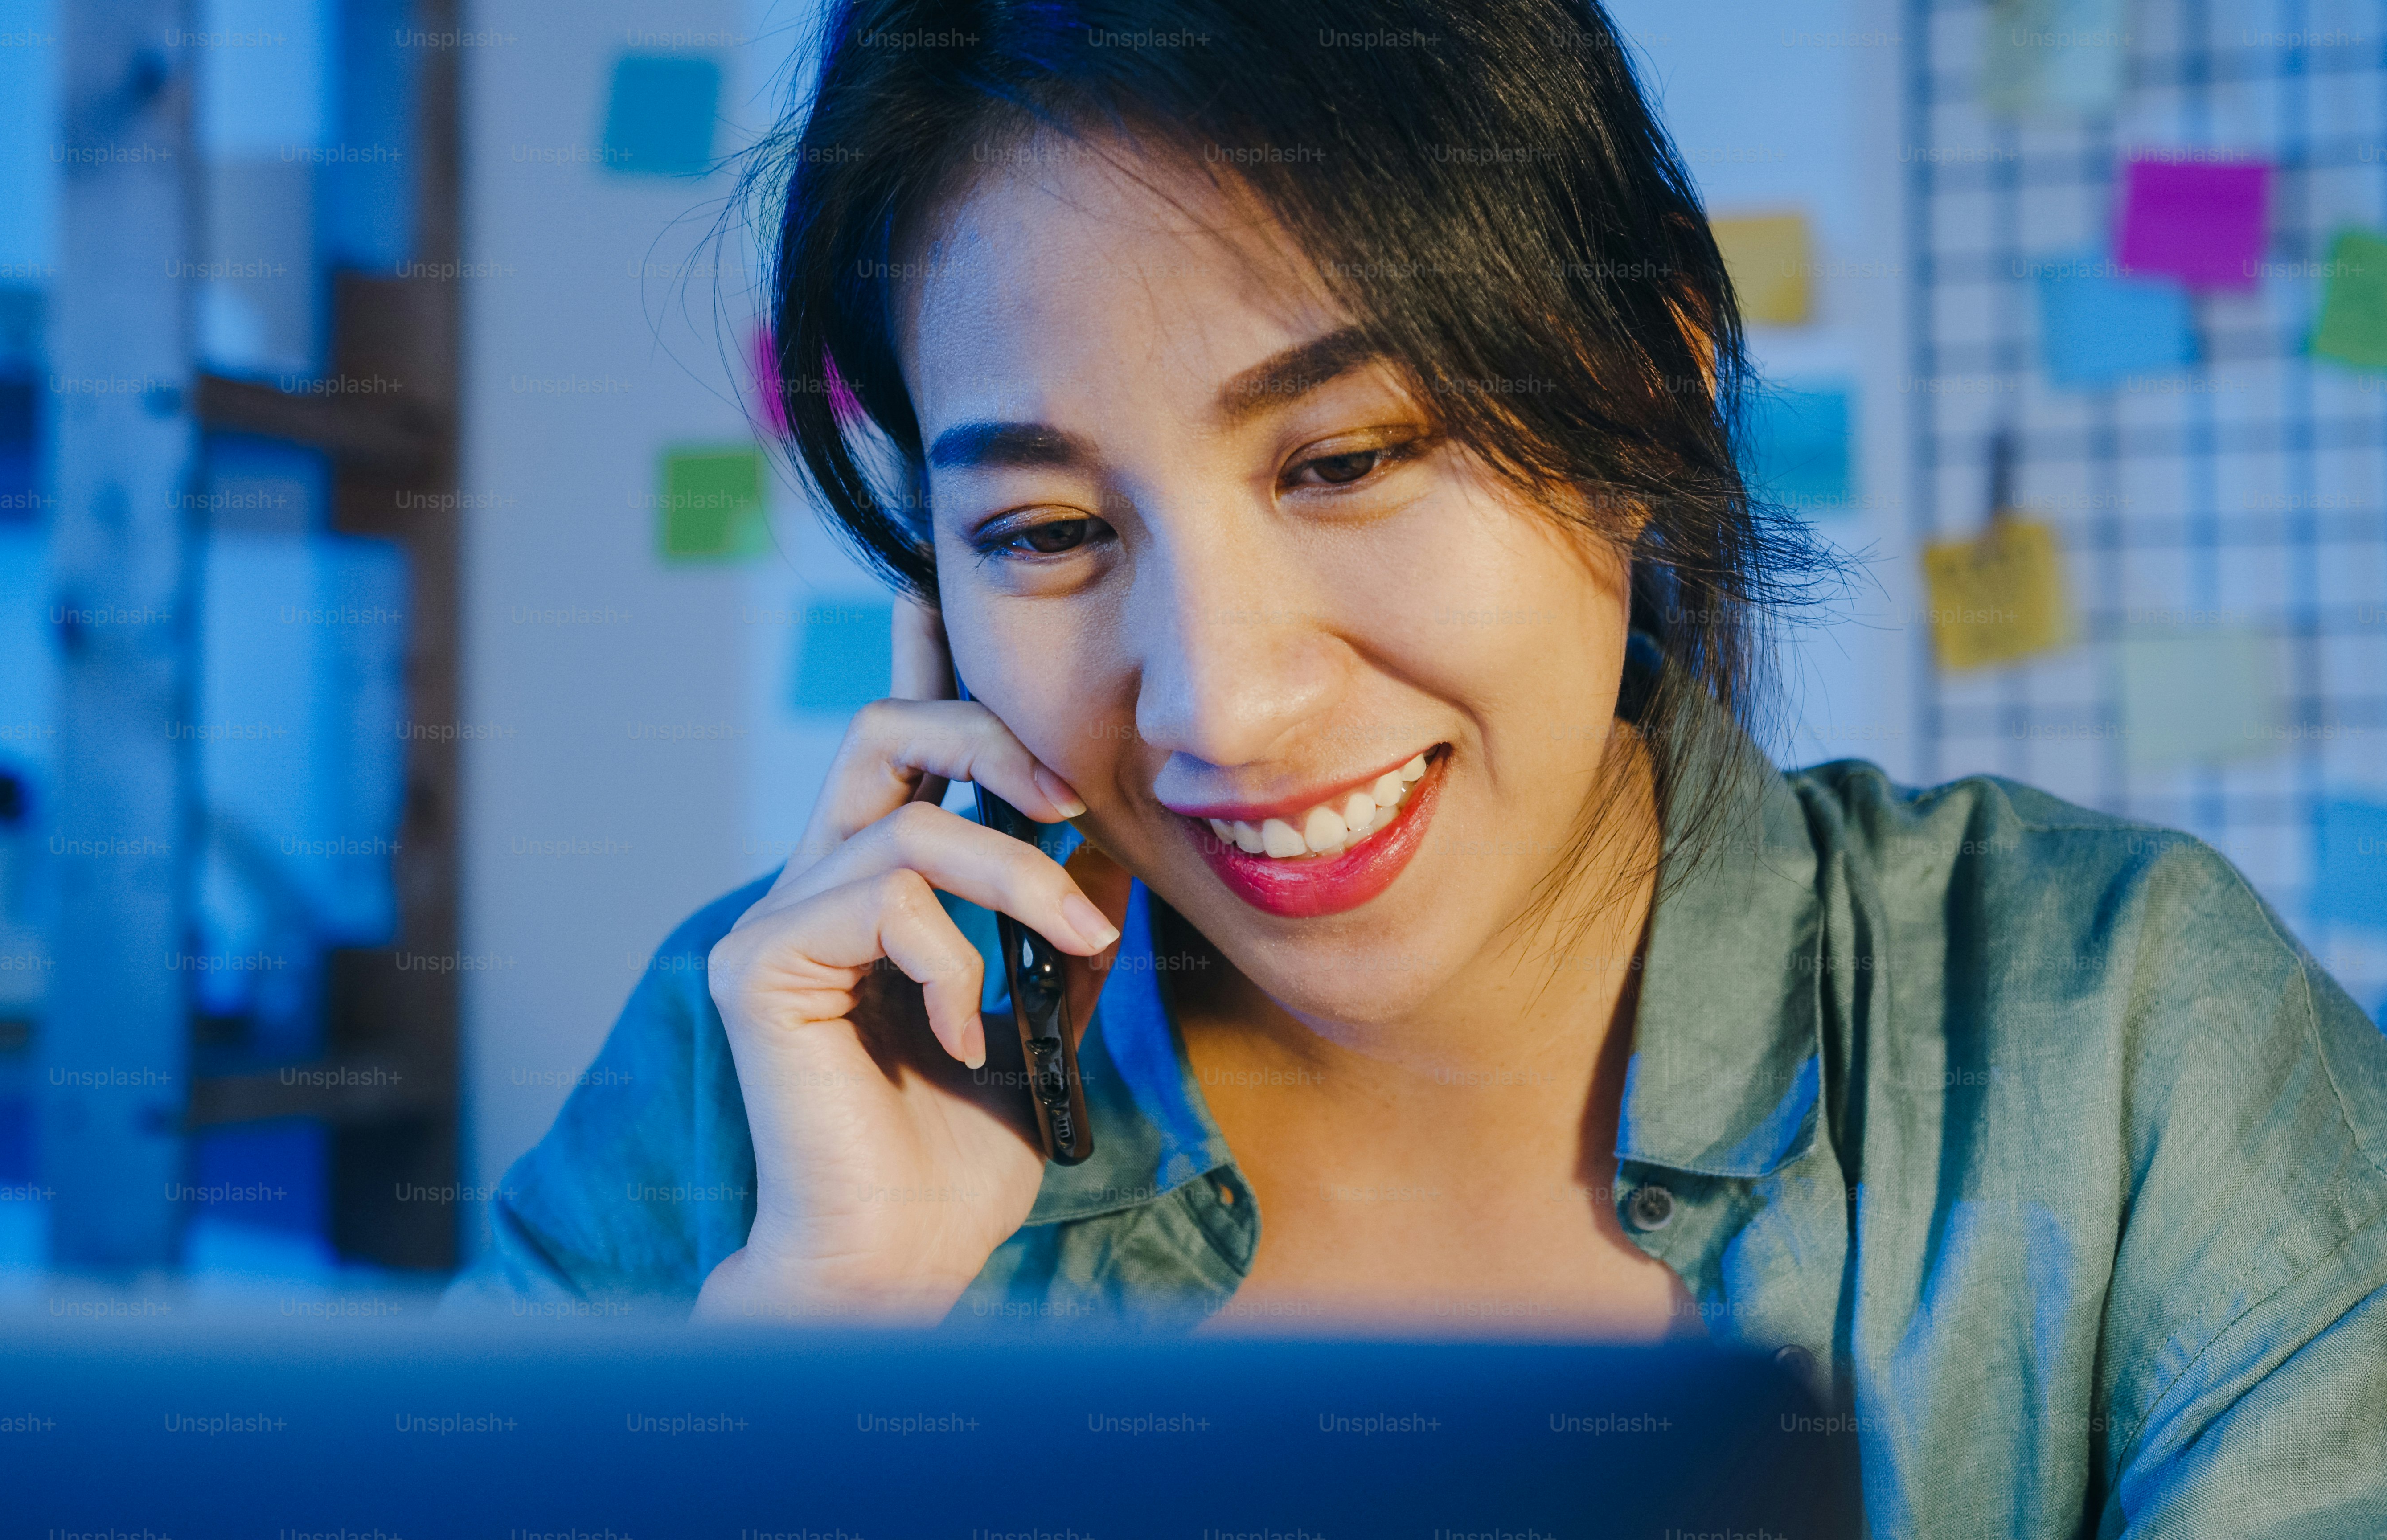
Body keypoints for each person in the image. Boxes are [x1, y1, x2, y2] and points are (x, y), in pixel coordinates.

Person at [459, 0, 2387, 1531]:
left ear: (1649, 383)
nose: (1224, 704)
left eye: (1350, 457)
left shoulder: (2131, 1047)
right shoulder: (758, 1091)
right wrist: (814, 1345)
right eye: (1046, 532)